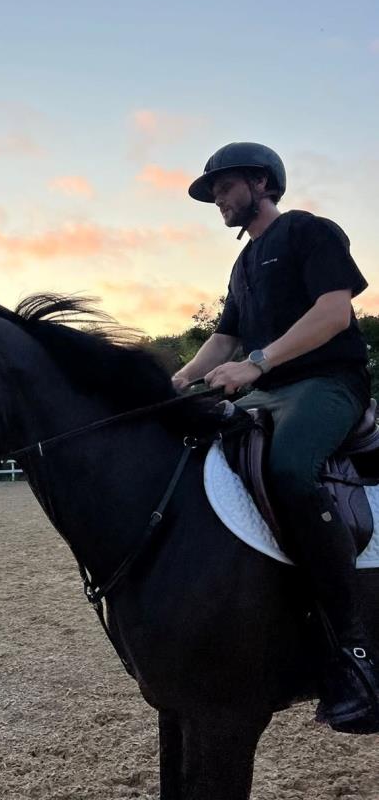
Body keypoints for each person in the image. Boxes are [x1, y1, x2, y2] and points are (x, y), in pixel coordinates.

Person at [173, 142, 379, 734]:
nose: (218, 199)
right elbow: (225, 338)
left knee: (289, 468)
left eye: (225, 187)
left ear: (261, 181)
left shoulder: (310, 232)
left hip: (326, 384)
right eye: (213, 193)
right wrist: (181, 378)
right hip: (262, 390)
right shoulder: (241, 266)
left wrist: (258, 364)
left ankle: (354, 650)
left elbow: (335, 313)